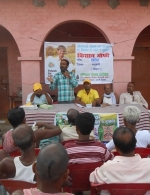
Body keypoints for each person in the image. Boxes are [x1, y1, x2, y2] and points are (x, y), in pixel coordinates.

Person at [90, 127, 150, 195]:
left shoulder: (106, 168)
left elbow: (92, 178)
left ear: (116, 148)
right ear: (135, 143)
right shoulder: (148, 164)